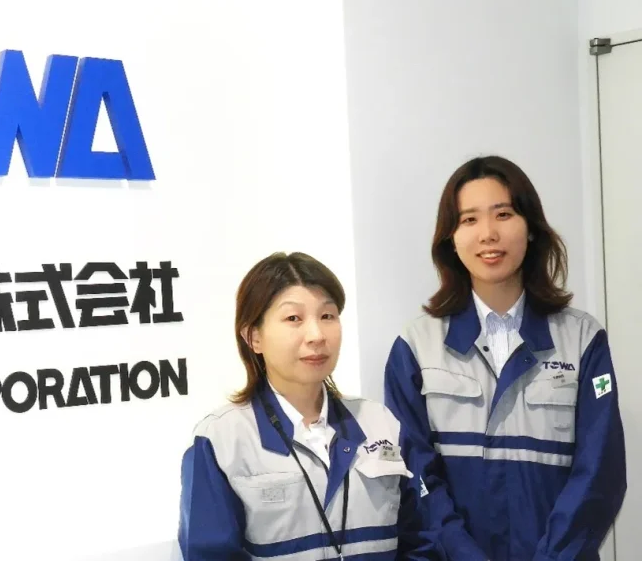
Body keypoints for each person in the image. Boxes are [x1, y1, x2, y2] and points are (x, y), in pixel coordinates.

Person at [383, 155, 627, 561]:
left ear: (530, 228)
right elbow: (413, 473)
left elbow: (600, 472)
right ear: (451, 238)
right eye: (469, 220)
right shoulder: (416, 345)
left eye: (504, 214)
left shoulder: (583, 339)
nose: (488, 234)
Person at [178, 252, 436, 560]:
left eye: (327, 316)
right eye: (293, 319)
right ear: (254, 337)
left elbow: (420, 542)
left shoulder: (381, 423)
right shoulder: (221, 440)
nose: (316, 335)